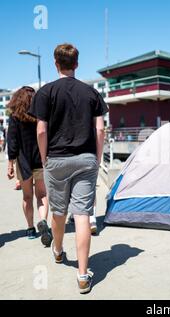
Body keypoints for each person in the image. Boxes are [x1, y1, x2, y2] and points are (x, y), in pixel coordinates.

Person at [29, 43, 108, 294]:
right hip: (85, 158)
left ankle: (59, 250)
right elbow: (100, 130)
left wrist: (44, 159)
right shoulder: (92, 93)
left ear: (55, 63)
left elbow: (41, 130)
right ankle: (83, 275)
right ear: (77, 63)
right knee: (83, 214)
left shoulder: (45, 93)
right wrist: (96, 159)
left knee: (59, 212)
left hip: (56, 159)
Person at [6, 86, 51, 244]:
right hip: (40, 159)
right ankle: (43, 221)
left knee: (27, 196)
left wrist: (10, 164)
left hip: (23, 161)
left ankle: (31, 228)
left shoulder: (15, 117)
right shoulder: (41, 115)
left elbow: (12, 142)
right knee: (42, 195)